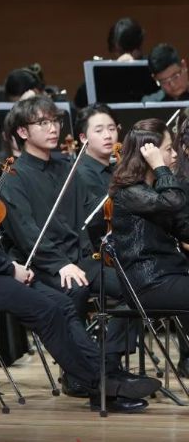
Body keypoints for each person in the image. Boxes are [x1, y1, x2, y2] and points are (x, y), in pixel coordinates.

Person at [0, 110, 161, 413]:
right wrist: (10, 268)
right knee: (46, 308)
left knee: (62, 303)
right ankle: (102, 385)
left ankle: (104, 376)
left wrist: (8, 267)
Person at [0, 96, 132, 395]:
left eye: (55, 121)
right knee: (75, 289)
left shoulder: (67, 167)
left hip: (80, 259)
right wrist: (60, 264)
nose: (53, 128)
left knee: (135, 286)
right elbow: (27, 234)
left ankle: (108, 362)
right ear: (22, 131)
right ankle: (77, 374)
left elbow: (88, 216)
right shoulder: (14, 176)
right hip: (44, 265)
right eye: (43, 122)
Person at [123, 118, 189, 376]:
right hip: (148, 283)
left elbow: (183, 228)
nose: (175, 155)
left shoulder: (152, 190)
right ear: (148, 154)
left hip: (169, 275)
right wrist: (161, 168)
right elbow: (173, 202)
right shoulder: (131, 192)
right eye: (168, 149)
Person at [74, 104, 120, 249]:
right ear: (83, 138)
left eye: (112, 129)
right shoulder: (80, 173)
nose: (108, 136)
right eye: (99, 131)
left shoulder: (116, 167)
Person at [75, 18, 145, 107]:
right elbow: (80, 100)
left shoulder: (151, 67)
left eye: (121, 50)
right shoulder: (105, 73)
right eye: (118, 51)